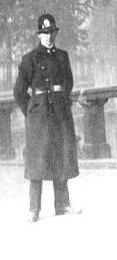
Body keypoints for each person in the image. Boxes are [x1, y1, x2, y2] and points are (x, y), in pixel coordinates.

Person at [14, 14, 81, 223]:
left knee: (60, 156)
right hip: (39, 119)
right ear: (39, 35)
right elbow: (19, 92)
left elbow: (68, 83)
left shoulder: (63, 56)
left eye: (51, 32)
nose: (48, 37)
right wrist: (32, 112)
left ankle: (63, 204)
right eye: (44, 33)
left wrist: (60, 101)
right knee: (37, 162)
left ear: (55, 33)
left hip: (59, 115)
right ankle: (34, 209)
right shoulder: (29, 59)